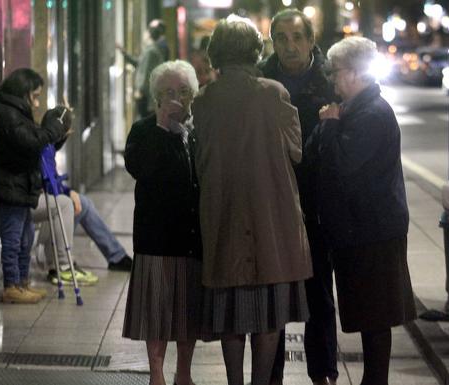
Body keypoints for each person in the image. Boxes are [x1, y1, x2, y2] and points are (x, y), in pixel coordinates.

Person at [192, 15, 312, 385]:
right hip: (270, 220)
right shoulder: (273, 93)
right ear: (254, 51)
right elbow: (297, 150)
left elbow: (199, 160)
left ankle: (234, 382)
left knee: (230, 316)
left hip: (223, 216)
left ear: (216, 54)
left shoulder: (204, 100)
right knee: (269, 319)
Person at [305, 36, 416, 385]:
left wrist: (330, 125)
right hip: (360, 230)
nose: (332, 79)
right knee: (370, 314)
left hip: (373, 231)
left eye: (336, 72)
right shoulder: (351, 109)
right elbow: (313, 158)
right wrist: (330, 124)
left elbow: (343, 166)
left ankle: (375, 381)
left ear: (354, 73)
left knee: (375, 317)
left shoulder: (370, 114)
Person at [258, 9, 338, 385]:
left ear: (310, 40)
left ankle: (322, 373)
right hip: (271, 202)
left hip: (317, 204)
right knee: (271, 296)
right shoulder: (259, 80)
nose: (290, 46)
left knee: (319, 295)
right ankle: (270, 374)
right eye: (281, 38)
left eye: (297, 37)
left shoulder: (329, 81)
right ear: (272, 42)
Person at [123, 60, 202, 385]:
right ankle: (156, 374)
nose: (177, 98)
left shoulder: (197, 132)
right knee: (155, 313)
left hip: (192, 236)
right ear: (156, 96)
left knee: (187, 312)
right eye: (169, 92)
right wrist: (161, 127)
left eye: (183, 91)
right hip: (155, 237)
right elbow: (140, 168)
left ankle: (184, 372)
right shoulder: (144, 130)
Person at [0, 68, 70, 304]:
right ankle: (11, 285)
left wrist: (57, 135)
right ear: (23, 92)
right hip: (10, 185)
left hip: (21, 185)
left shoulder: (17, 112)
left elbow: (37, 141)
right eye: (34, 96)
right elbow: (31, 141)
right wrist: (55, 128)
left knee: (25, 237)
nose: (36, 103)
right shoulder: (6, 113)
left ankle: (22, 282)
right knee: (13, 238)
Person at [31, 140, 132, 286]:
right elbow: (49, 183)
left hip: (40, 201)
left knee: (82, 203)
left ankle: (116, 256)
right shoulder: (42, 144)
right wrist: (67, 192)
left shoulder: (47, 144)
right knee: (68, 203)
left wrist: (68, 192)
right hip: (32, 202)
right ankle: (58, 261)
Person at [116, 19, 166, 119]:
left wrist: (140, 90)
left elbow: (146, 72)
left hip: (145, 96)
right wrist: (123, 52)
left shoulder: (151, 51)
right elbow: (139, 63)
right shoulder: (152, 50)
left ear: (149, 34)